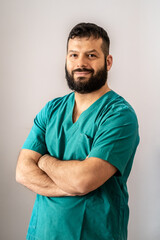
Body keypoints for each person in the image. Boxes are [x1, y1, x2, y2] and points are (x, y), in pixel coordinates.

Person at [16, 22, 140, 240]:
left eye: (91, 55)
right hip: (42, 233)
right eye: (73, 55)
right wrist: (71, 185)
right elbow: (22, 172)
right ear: (66, 60)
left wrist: (44, 161)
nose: (80, 63)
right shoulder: (51, 109)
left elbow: (83, 181)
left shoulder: (119, 115)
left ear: (108, 62)